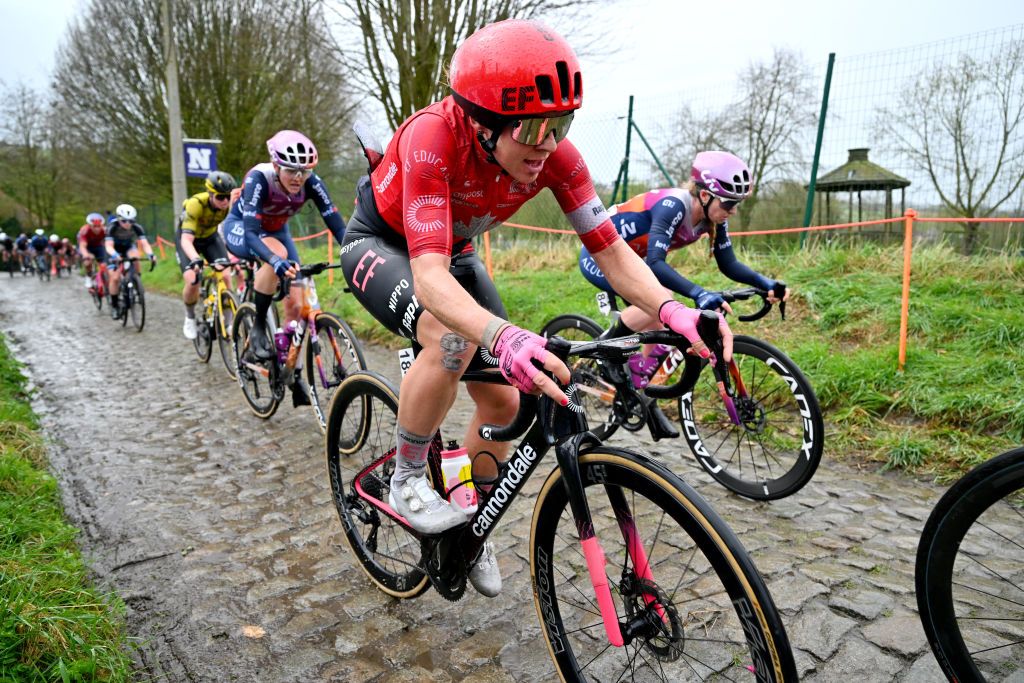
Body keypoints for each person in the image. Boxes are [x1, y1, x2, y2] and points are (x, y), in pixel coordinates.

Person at [339, 19, 731, 598]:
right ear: (481, 123)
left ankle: (468, 513)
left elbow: (612, 250)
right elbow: (429, 276)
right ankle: (405, 478)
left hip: (457, 247)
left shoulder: (556, 157)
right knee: (454, 341)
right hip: (383, 241)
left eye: (562, 124)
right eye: (536, 126)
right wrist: (505, 337)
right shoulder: (433, 138)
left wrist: (674, 311)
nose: (548, 143)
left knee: (507, 402)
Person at [577, 152, 789, 416]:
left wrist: (765, 283)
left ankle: (639, 391)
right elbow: (656, 263)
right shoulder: (673, 206)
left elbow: (728, 264)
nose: (732, 211)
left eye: (736, 204)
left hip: (632, 260)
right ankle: (607, 353)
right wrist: (699, 293)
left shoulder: (713, 216)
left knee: (661, 317)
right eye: (728, 203)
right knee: (661, 297)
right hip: (599, 256)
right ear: (704, 195)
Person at [223, 130, 347, 407]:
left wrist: (356, 254)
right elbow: (253, 234)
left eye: (304, 171)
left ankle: (289, 367)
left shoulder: (311, 182)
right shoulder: (260, 178)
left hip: (278, 231)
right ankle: (257, 327)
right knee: (277, 257)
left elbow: (337, 225)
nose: (298, 177)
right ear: (276, 165)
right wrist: (276, 261)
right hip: (243, 229)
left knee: (297, 301)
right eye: (291, 170)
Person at [176, 171, 238, 340]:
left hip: (211, 238)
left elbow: (234, 231)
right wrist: (195, 258)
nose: (225, 201)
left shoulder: (229, 204)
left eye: (227, 196)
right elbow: (186, 240)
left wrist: (240, 254)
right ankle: (189, 317)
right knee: (193, 279)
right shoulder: (196, 204)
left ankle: (229, 323)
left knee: (225, 276)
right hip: (189, 240)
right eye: (220, 197)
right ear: (210, 194)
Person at [105, 204, 156, 318]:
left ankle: (136, 282)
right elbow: (108, 246)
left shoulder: (137, 227)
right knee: (115, 278)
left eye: (131, 221)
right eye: (124, 221)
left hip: (128, 247)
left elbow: (144, 243)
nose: (128, 224)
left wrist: (151, 254)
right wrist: (115, 255)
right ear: (118, 219)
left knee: (136, 257)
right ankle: (114, 306)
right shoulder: (112, 227)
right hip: (113, 250)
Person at [78, 213, 108, 286]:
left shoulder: (105, 230)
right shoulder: (85, 230)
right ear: (90, 225)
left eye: (99, 226)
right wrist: (86, 255)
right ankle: (88, 277)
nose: (97, 228)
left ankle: (103, 278)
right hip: (87, 247)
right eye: (94, 226)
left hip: (98, 246)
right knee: (87, 262)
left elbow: (108, 242)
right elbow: (82, 246)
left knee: (104, 264)